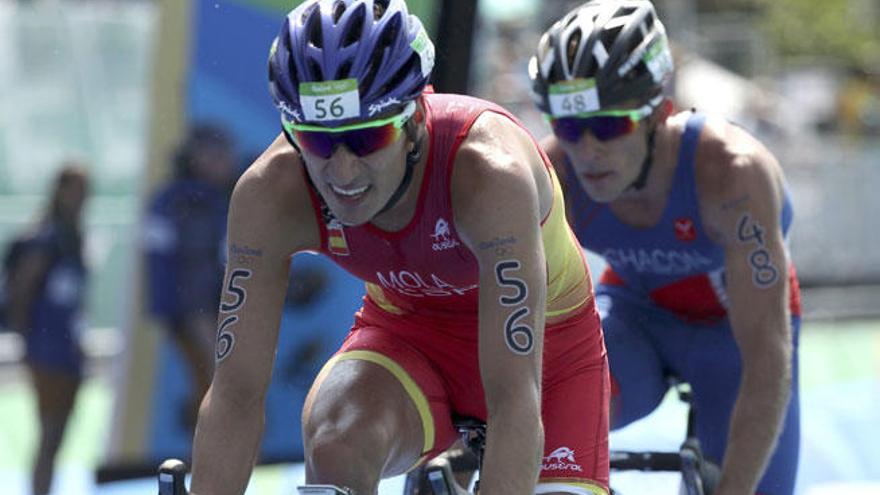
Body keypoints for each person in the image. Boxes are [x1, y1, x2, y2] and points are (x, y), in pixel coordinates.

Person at [190, 1, 610, 494]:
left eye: (367, 137)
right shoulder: (270, 192)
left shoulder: (487, 174)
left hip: (549, 357)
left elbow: (516, 401)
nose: (342, 171)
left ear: (414, 118)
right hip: (409, 338)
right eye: (317, 141)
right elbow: (236, 394)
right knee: (336, 445)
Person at [528, 2, 801, 494]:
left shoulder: (733, 174)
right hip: (636, 317)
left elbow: (766, 357)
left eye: (609, 126)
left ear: (661, 114)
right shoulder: (555, 174)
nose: (587, 150)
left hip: (737, 338)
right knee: (551, 419)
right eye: (569, 127)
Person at [5, 163, 91, 495]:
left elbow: (74, 298)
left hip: (68, 344)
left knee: (61, 432)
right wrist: (25, 339)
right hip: (46, 345)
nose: (83, 198)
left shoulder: (73, 235)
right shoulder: (45, 236)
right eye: (77, 190)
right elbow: (21, 291)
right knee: (49, 430)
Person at [143, 123, 236, 426]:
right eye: (218, 154)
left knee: (208, 385)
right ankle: (221, 463)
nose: (227, 161)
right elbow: (193, 266)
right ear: (197, 158)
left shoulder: (191, 197)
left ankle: (211, 463)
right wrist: (194, 315)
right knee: (220, 387)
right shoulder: (188, 200)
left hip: (193, 308)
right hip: (198, 309)